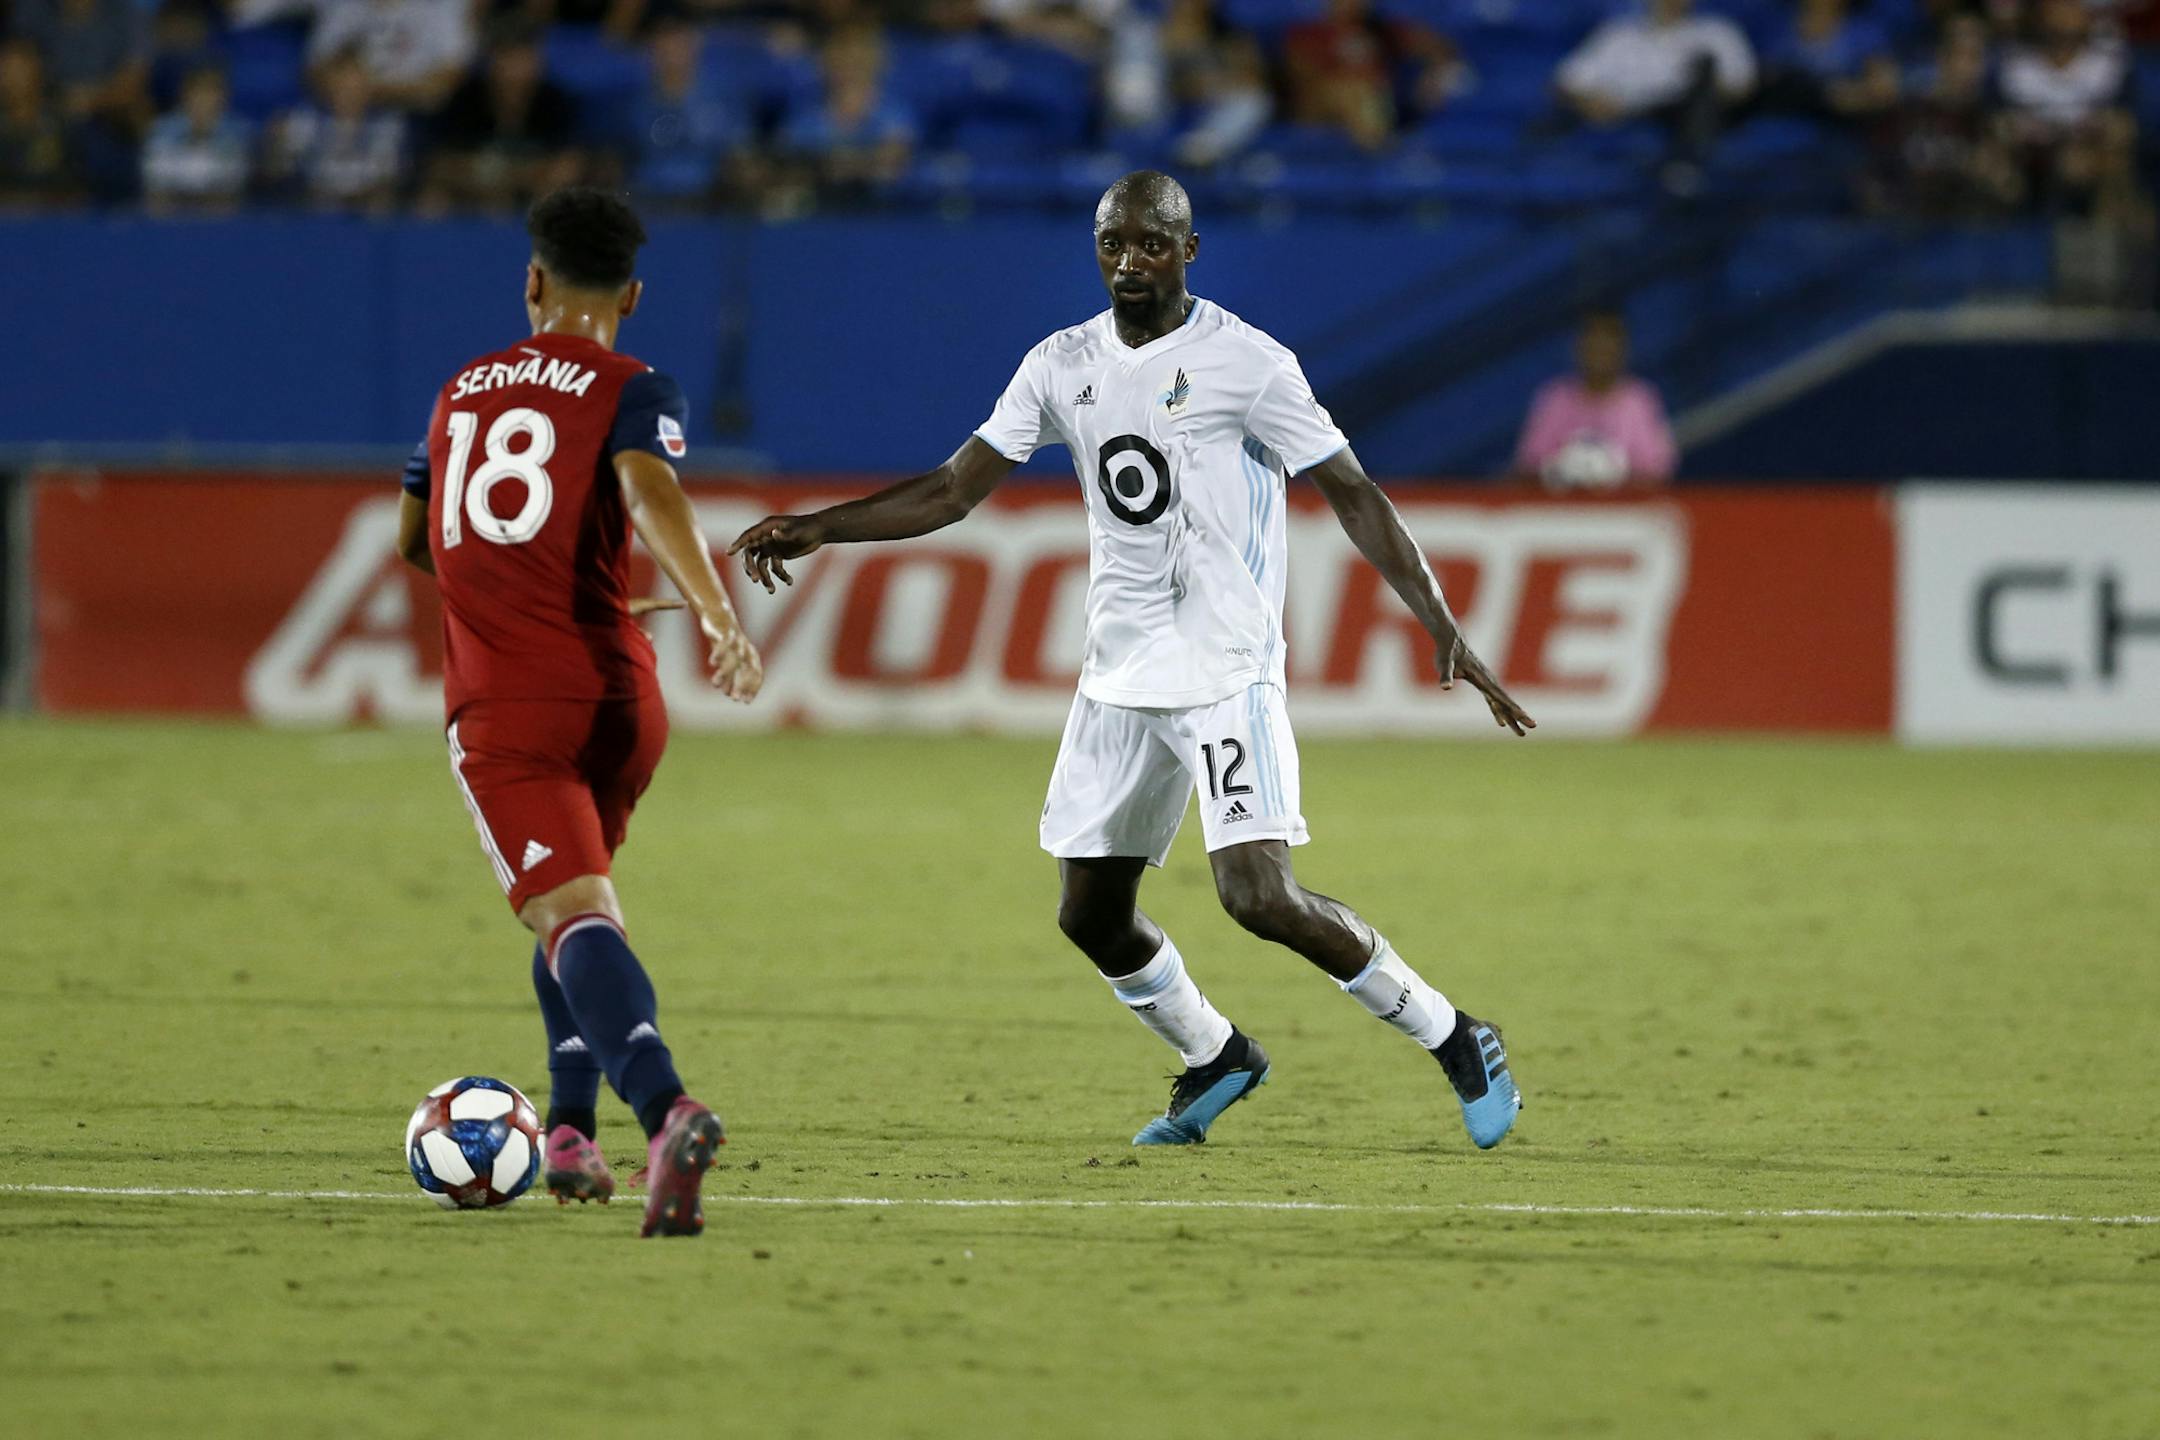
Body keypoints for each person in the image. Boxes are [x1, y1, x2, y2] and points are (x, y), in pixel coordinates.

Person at [732, 171, 1530, 1152]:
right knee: (1091, 916)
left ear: (1190, 251)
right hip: (1120, 677)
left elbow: (1353, 492)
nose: (1128, 263)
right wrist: (820, 528)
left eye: (1151, 244)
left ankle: (1456, 1036)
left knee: (1257, 895)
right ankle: (1216, 1054)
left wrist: (1438, 616)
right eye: (1113, 243)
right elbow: (951, 490)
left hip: (1227, 671)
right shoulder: (1060, 363)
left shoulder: (1251, 363)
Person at [393, 186, 765, 1237]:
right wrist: (710, 613)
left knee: (566, 912)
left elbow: (418, 544)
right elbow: (649, 491)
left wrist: (501, 589)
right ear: (632, 296)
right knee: (581, 908)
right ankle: (567, 1131)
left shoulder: (459, 391)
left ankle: (665, 1109)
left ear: (532, 280)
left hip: (511, 707)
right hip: (620, 701)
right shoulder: (634, 384)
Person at [1513, 309, 1677, 492]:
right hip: (1563, 511)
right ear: (1578, 347)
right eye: (1593, 343)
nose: (1600, 352)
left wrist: (1611, 477)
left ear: (1623, 349)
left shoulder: (1640, 400)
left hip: (1624, 513)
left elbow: (1659, 472)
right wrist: (1564, 473)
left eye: (1608, 344)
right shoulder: (1555, 397)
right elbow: (1527, 466)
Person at [141, 65, 253, 211]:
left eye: (211, 93)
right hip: (171, 207)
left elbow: (232, 182)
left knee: (223, 205)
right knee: (157, 204)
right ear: (185, 95)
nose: (204, 99)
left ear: (224, 97)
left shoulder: (238, 132)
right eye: (198, 92)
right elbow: (156, 180)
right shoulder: (162, 129)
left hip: (219, 210)